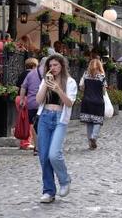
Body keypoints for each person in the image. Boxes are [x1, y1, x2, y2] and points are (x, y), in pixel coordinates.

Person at [35, 55, 77, 203]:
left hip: (60, 118)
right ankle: (48, 191)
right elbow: (38, 100)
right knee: (44, 156)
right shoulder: (45, 81)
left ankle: (65, 180)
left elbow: (70, 103)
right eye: (50, 65)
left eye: (55, 65)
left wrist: (59, 89)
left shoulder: (70, 82)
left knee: (54, 154)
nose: (52, 68)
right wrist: (46, 84)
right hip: (45, 118)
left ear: (62, 66)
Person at [79, 58, 106, 150]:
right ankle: (93, 137)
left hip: (87, 100)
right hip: (98, 101)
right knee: (98, 121)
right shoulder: (102, 76)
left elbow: (81, 87)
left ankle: (90, 143)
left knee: (89, 122)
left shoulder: (85, 74)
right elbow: (103, 91)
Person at [19, 58, 41, 153]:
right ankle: (29, 143)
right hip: (34, 101)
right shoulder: (37, 73)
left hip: (27, 100)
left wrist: (21, 99)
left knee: (26, 122)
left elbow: (20, 86)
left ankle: (27, 143)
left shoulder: (24, 74)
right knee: (35, 124)